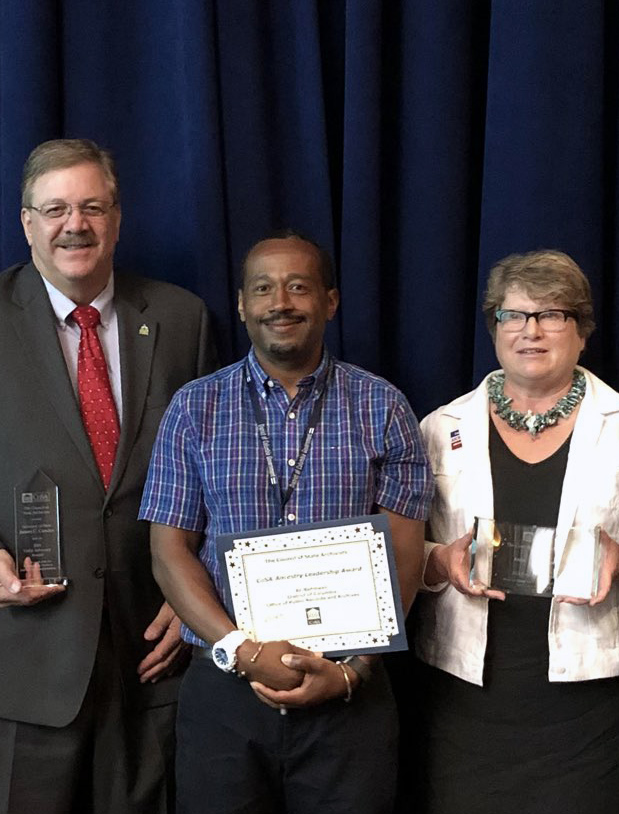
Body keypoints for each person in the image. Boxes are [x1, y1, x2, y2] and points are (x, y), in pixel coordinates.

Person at [0, 138, 215, 814]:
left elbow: (217, 470)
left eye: (92, 207)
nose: (76, 225)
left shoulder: (181, 318)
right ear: (27, 223)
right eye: (56, 209)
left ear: (117, 220)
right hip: (15, 666)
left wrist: (193, 592)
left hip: (150, 662)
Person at [141, 232, 430, 814]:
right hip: (223, 697)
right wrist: (242, 649)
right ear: (243, 304)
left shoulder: (384, 407)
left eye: (299, 286)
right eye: (264, 288)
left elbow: (405, 557)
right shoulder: (194, 408)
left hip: (350, 698)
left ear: (330, 300)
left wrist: (353, 673)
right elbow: (168, 552)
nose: (282, 302)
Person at [408, 249, 619, 813]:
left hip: (598, 705)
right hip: (470, 702)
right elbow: (407, 547)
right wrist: (439, 562)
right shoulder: (440, 427)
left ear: (581, 331)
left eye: (552, 314)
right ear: (494, 328)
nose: (531, 331)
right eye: (513, 315)